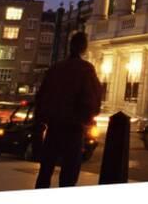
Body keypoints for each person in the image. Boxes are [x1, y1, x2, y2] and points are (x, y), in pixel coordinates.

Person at [33, 31, 102, 188]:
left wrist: (41, 121)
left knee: (45, 170)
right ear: (84, 48)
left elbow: (41, 96)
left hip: (53, 126)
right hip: (73, 127)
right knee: (69, 174)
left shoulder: (56, 68)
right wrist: (88, 117)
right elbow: (93, 98)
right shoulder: (86, 69)